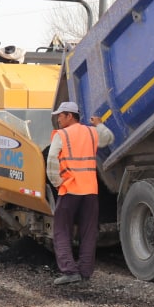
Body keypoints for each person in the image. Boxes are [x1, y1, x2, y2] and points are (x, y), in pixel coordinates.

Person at [45, 101, 114, 286]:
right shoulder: (91, 132)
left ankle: (69, 271)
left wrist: (58, 183)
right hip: (90, 190)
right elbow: (108, 138)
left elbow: (52, 162)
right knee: (89, 232)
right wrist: (99, 124)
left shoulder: (62, 135)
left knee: (61, 230)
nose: (58, 119)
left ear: (69, 116)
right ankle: (85, 272)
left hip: (70, 188)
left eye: (60, 116)